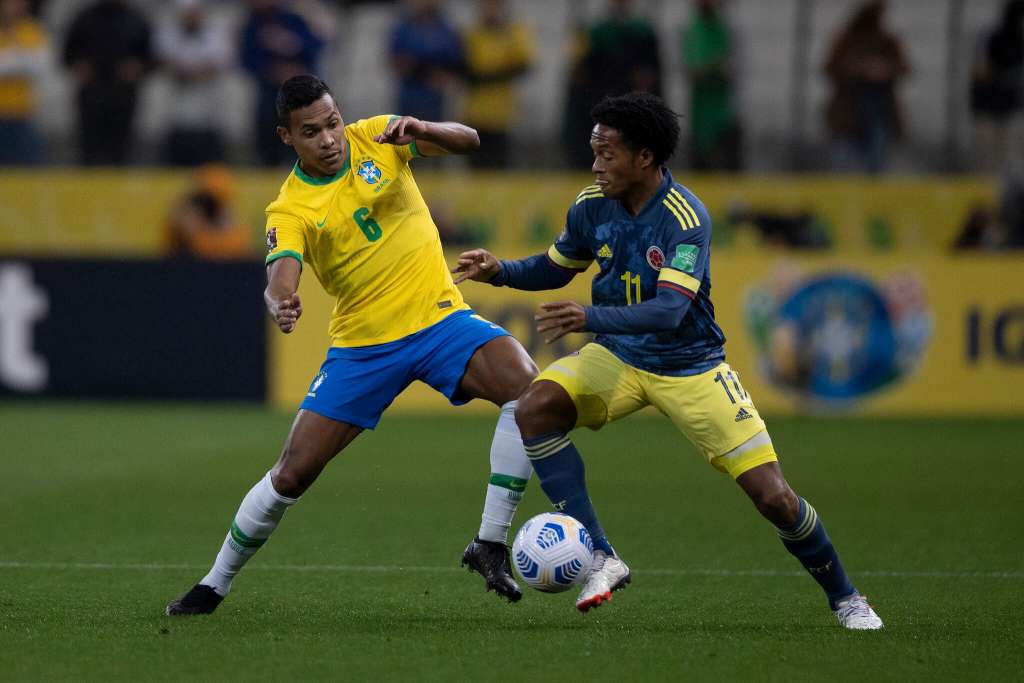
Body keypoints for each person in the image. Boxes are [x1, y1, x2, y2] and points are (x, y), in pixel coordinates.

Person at [452, 91, 884, 630]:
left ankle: (846, 597)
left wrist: (590, 317)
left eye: (607, 153)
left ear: (645, 157)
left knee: (774, 498)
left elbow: (669, 310)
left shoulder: (685, 216)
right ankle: (604, 557)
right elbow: (557, 266)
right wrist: (501, 271)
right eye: (594, 150)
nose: (596, 164)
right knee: (533, 407)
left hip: (691, 365)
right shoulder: (591, 205)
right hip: (617, 357)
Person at [166, 75, 537, 615]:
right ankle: (214, 584)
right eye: (311, 131)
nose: (328, 138)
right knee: (292, 473)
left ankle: (489, 542)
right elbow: (281, 273)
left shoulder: (378, 137)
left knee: (528, 390)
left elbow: (470, 140)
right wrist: (279, 300)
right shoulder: (288, 209)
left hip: (440, 321)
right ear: (286, 137)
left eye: (332, 123)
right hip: (364, 347)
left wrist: (425, 127)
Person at [61, 0, 152, 165]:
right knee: (89, 148)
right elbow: (68, 54)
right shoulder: (84, 18)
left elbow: (149, 58)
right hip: (91, 93)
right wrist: (79, 65)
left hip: (123, 94)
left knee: (121, 149)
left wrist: (137, 67)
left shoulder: (136, 19)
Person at [823, 0, 908, 174]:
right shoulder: (846, 40)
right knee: (844, 165)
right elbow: (830, 68)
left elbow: (903, 67)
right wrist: (860, 70)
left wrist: (885, 70)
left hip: (879, 113)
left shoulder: (886, 41)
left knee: (876, 165)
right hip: (848, 113)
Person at [240, 0, 324, 166]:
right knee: (269, 135)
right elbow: (247, 59)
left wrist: (293, 46)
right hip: (269, 91)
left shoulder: (295, 19)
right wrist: (272, 71)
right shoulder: (253, 24)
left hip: (298, 91)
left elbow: (315, 49)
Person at [155, 0, 233, 166]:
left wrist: (194, 71)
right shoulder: (167, 32)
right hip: (177, 98)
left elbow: (219, 62)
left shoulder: (216, 32)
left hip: (208, 98)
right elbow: (165, 61)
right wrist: (191, 71)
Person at [460, 0, 534, 168]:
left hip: (503, 116)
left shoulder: (514, 33)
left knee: (500, 170)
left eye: (495, 5)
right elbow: (464, 70)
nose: (491, 10)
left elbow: (524, 66)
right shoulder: (472, 35)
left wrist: (486, 75)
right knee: (476, 171)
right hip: (475, 116)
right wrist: (500, 71)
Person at [682, 0, 742, 171]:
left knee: (728, 162)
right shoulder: (693, 30)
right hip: (701, 114)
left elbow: (731, 70)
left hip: (725, 112)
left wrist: (709, 68)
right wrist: (714, 67)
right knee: (702, 162)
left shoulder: (727, 29)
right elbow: (694, 71)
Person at [969, 0, 1024, 174]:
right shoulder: (992, 37)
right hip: (988, 108)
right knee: (986, 161)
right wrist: (1001, 75)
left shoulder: (1019, 41)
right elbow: (980, 71)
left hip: (1011, 109)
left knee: (1011, 159)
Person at [389, 0, 464, 124]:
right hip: (408, 104)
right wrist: (427, 71)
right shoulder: (403, 28)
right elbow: (398, 65)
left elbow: (454, 68)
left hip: (436, 107)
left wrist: (419, 66)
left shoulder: (446, 30)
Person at [163, 164, 254, 260]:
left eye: (213, 201)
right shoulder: (184, 217)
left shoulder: (226, 215)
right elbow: (198, 246)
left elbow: (238, 245)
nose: (209, 206)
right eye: (204, 199)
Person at [0, 0, 47, 165]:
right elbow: (23, 64)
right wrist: (19, 59)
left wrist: (10, 58)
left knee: (27, 166)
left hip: (22, 112)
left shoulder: (32, 30)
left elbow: (38, 66)